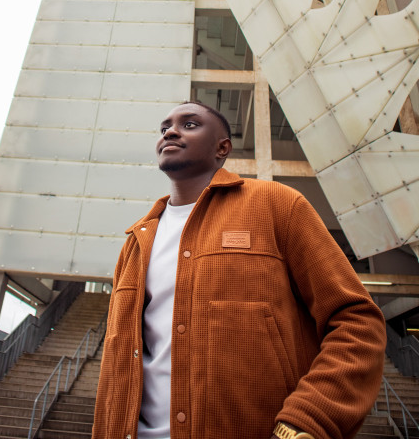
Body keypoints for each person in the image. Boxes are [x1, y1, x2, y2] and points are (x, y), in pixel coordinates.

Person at [92, 101, 386, 439]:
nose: (170, 132)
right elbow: (115, 365)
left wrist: (309, 421)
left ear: (222, 147)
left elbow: (357, 321)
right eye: (164, 128)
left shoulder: (277, 204)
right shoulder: (136, 242)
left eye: (189, 124)